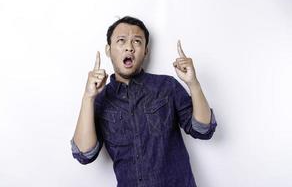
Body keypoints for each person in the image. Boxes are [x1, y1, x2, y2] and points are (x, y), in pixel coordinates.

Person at [70, 16, 217, 187]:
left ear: (145, 51)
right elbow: (84, 154)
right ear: (109, 50)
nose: (129, 47)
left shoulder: (166, 86)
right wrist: (88, 97)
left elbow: (203, 130)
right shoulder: (100, 99)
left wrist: (193, 83)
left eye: (137, 42)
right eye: (121, 41)